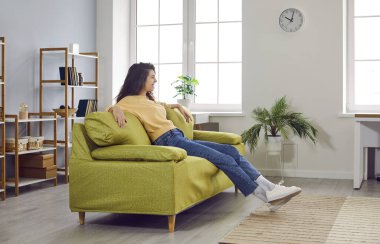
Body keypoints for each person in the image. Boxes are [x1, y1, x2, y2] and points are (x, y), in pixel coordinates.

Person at [107, 62, 301, 211]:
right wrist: (115, 108)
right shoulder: (128, 101)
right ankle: (266, 196)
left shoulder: (148, 99)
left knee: (230, 150)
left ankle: (271, 189)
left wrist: (177, 105)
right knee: (224, 159)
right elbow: (111, 108)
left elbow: (159, 107)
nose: (155, 81)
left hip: (178, 137)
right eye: (152, 77)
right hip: (168, 141)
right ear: (140, 79)